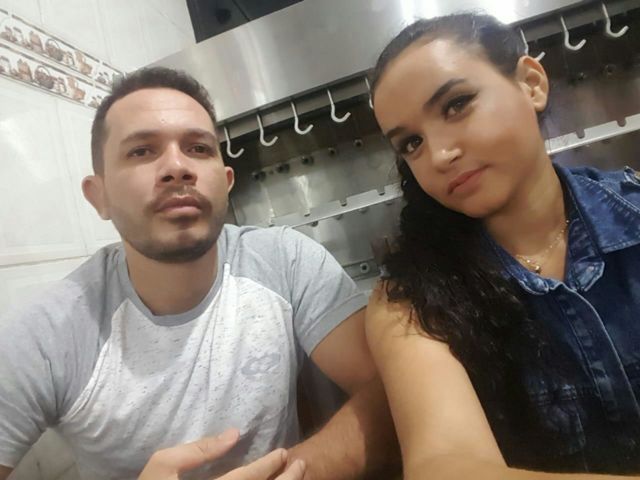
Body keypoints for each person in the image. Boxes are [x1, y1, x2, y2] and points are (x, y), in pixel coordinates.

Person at [0, 67, 398, 480]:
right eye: (141, 151)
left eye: (198, 148)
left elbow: (395, 392)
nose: (177, 167)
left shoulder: (285, 260)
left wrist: (296, 473)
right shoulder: (48, 333)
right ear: (98, 196)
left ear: (226, 182)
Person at [365, 12, 640, 480]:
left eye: (456, 105)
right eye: (411, 143)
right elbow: (444, 466)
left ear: (531, 84)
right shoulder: (410, 302)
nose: (439, 155)